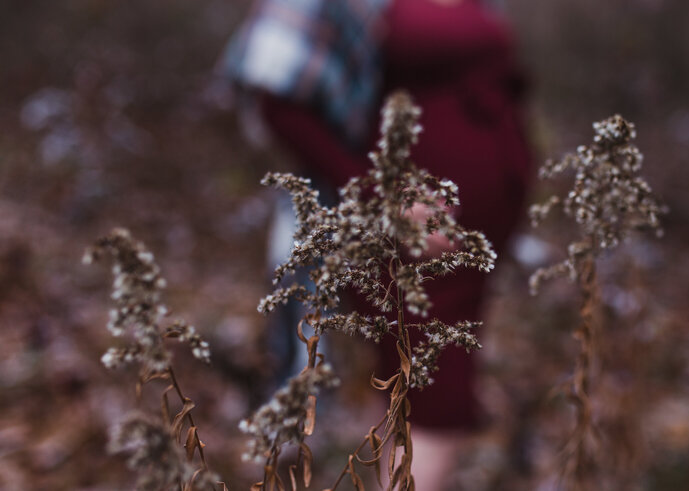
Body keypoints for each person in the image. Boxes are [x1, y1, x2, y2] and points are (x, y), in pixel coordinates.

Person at [222, 0, 535, 487]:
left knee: (405, 397)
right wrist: (377, 193)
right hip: (411, 237)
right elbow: (276, 98)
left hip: (469, 238)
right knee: (438, 409)